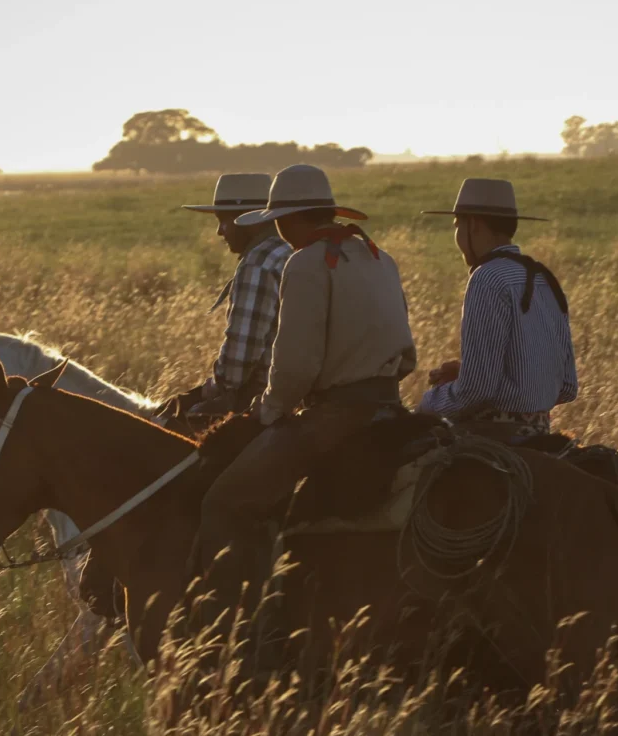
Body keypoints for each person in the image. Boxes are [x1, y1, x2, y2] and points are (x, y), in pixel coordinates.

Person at [196, 164, 417, 576]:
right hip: (391, 405)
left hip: (334, 418)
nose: (277, 229)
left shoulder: (306, 264)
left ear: (290, 219)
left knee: (223, 503)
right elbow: (407, 358)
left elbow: (296, 366)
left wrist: (268, 411)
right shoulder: (379, 257)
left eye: (277, 220)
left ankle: (234, 628)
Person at [418, 178, 576, 437]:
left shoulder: (486, 278)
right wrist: (466, 371)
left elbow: (476, 392)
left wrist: (430, 402)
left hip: (492, 433)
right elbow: (568, 387)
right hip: (541, 432)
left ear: (475, 225)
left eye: (457, 226)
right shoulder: (545, 279)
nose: (456, 236)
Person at [169, 173, 292, 419]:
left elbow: (238, 362)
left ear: (250, 220)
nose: (219, 232)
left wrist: (203, 394)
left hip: (263, 397)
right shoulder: (288, 250)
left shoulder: (258, 263)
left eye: (223, 220)